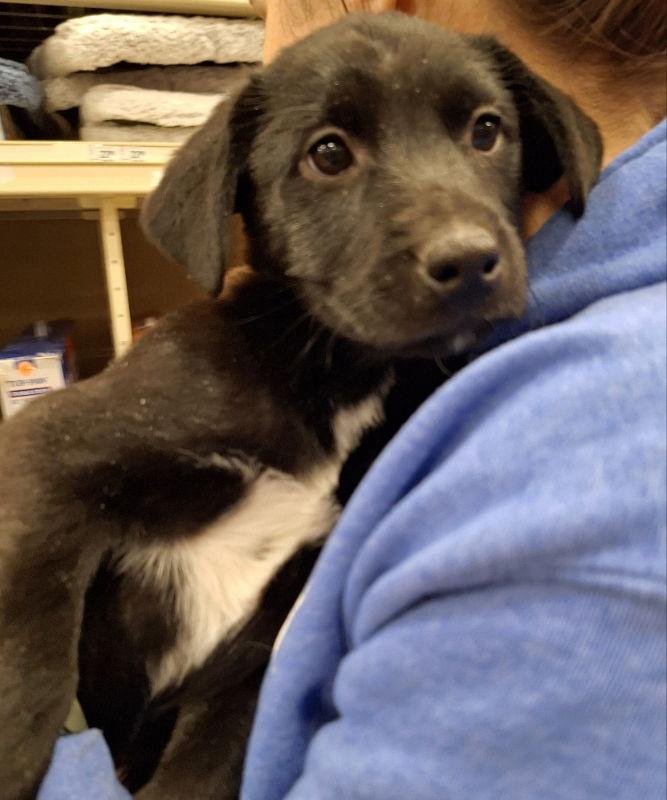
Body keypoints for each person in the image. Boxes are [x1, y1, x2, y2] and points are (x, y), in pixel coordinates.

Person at [37, 1, 666, 798]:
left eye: (481, 134)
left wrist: (58, 753)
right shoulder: (457, 368)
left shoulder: (598, 472)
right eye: (331, 154)